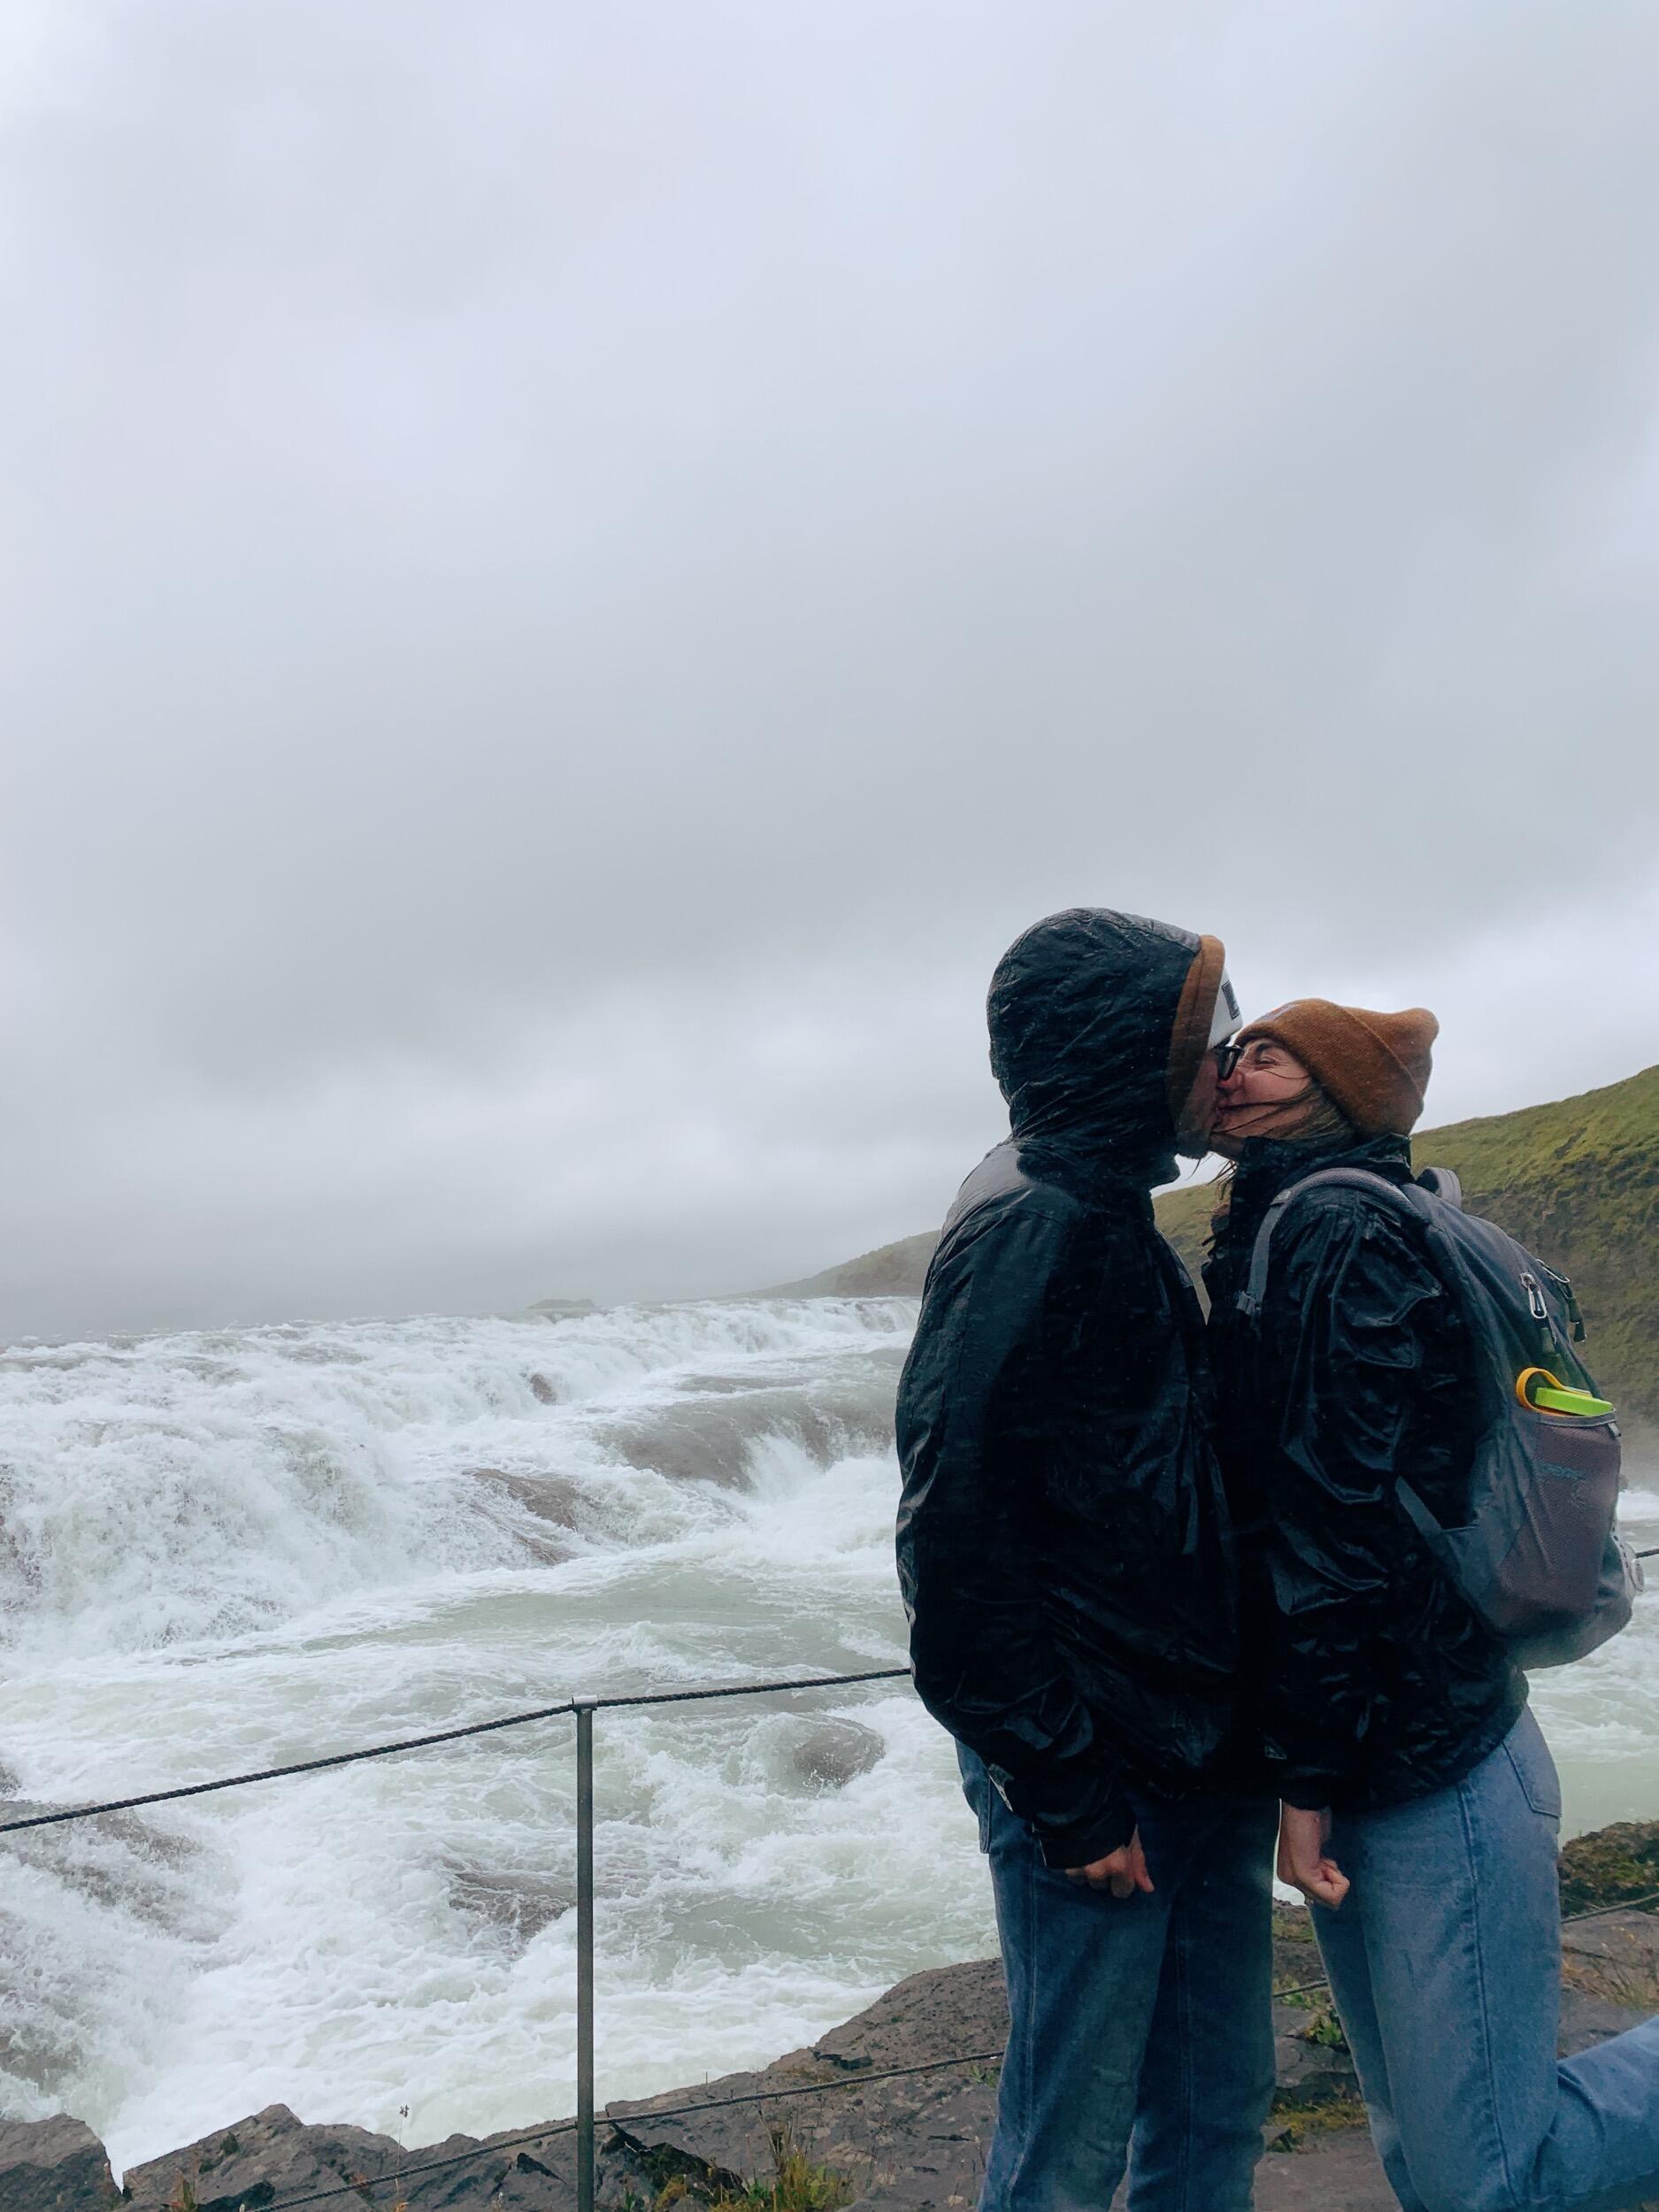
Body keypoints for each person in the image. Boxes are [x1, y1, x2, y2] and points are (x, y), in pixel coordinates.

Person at [1205, 999, 1659, 2212]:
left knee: (1483, 2176)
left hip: (1432, 1762)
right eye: (1234, 1049)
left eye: (1266, 1051)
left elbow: (1332, 1525)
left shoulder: (1339, 1232)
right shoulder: (1280, 1220)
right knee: (1425, 2155)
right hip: (1389, 1746)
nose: (1232, 1068)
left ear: (1338, 1088)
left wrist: (1302, 1779)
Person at [895, 908, 1277, 2212]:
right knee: (1070, 2151)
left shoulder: (1094, 1203)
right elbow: (953, 1547)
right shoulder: (1039, 1223)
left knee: (1214, 2109)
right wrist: (1067, 1794)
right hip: (1109, 1770)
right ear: (1123, 1048)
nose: (1229, 1062)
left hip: (1186, 1752)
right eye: (1208, 1034)